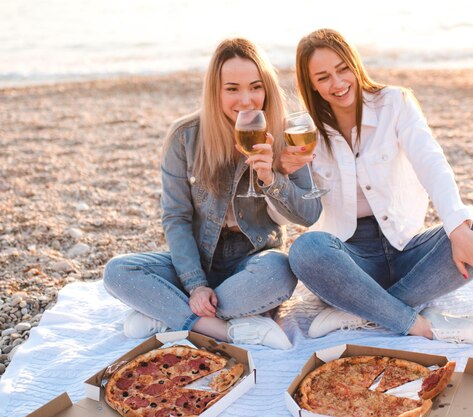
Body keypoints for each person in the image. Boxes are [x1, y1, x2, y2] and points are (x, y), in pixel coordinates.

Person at [281, 28, 473, 344]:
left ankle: (362, 311)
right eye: (324, 77)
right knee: (306, 249)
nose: (338, 83)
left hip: (405, 248)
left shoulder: (395, 102)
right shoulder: (304, 130)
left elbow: (431, 161)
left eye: (343, 69)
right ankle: (411, 321)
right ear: (313, 86)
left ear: (355, 65)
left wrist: (457, 229)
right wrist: (285, 174)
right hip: (351, 260)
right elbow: (305, 210)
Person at [103, 38, 321, 350]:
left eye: (255, 87)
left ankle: (167, 315)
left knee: (280, 272)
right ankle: (222, 329)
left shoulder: (285, 133)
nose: (246, 99)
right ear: (215, 91)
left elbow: (310, 215)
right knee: (118, 272)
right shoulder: (184, 136)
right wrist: (195, 284)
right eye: (232, 88)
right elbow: (176, 218)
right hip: (198, 258)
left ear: (267, 89)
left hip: (252, 261)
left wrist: (271, 177)